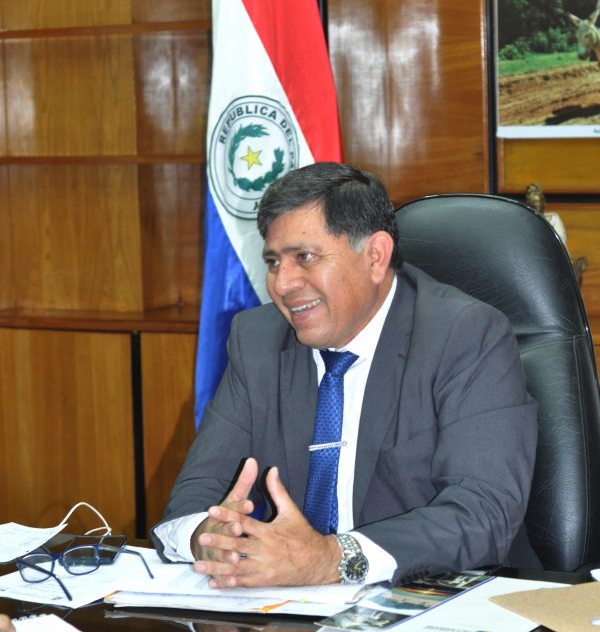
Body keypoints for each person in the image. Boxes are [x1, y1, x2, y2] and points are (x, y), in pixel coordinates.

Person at [152, 162, 538, 588]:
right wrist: (205, 537)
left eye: (305, 257)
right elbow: (197, 493)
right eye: (274, 262)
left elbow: (484, 513)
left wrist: (334, 559)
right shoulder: (258, 340)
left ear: (375, 256)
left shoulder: (464, 336)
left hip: (437, 601)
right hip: (297, 611)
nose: (282, 284)